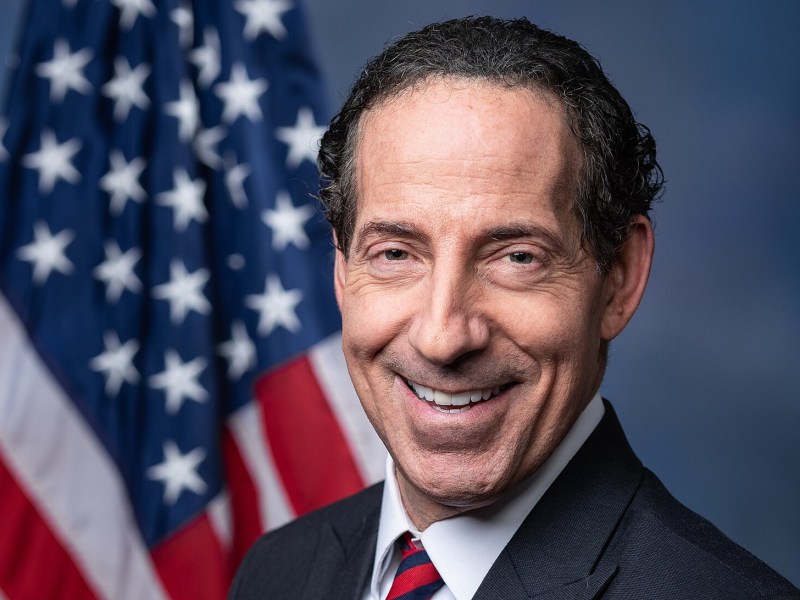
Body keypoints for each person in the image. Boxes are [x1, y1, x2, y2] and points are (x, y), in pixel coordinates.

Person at [229, 16, 799, 599]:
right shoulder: (278, 572)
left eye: (517, 258)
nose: (443, 337)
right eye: (396, 253)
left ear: (619, 279)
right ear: (342, 271)